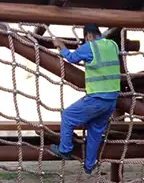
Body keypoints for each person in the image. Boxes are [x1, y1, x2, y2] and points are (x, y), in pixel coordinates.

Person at [48, 24, 120, 174]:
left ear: (88, 36)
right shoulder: (113, 45)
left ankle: (65, 150)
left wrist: (61, 46)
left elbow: (71, 58)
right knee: (95, 131)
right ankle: (89, 165)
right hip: (112, 100)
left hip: (97, 98)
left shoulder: (90, 47)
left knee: (68, 116)